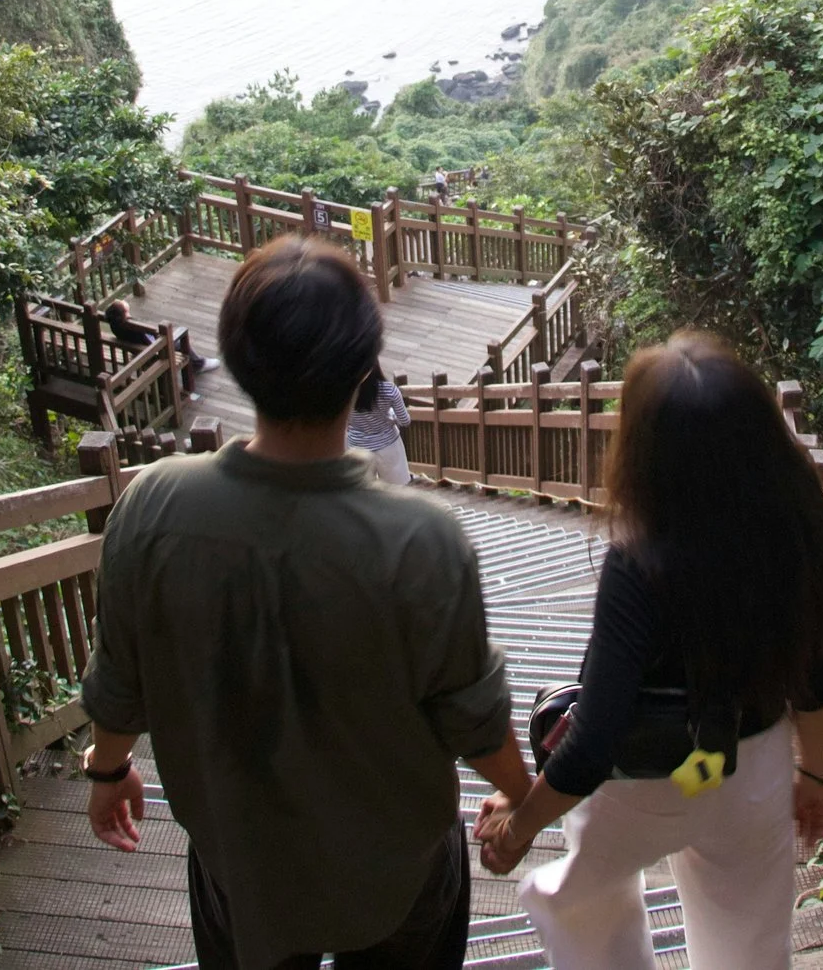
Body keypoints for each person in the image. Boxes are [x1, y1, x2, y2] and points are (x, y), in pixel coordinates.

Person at [77, 236, 536, 970]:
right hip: (399, 873)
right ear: (363, 368)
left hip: (242, 862)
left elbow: (121, 674)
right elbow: (473, 719)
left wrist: (108, 769)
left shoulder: (155, 503)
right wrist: (525, 800)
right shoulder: (422, 539)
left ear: (238, 357)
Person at [473, 332, 823, 970]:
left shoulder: (638, 562)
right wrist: (814, 775)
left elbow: (593, 741)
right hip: (748, 767)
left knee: (587, 904)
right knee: (750, 942)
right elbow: (816, 676)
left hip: (637, 782)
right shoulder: (804, 530)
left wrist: (521, 823)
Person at [102, 298, 218, 392]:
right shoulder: (135, 328)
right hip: (153, 352)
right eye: (121, 303)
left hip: (137, 350)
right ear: (125, 313)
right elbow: (152, 342)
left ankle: (197, 364)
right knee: (178, 341)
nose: (121, 300)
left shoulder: (115, 324)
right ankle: (199, 364)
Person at [346, 361, 412, 486]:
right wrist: (391, 416)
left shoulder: (345, 392)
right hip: (388, 445)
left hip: (357, 448)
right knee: (395, 492)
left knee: (364, 494)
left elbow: (345, 422)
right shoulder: (389, 390)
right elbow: (405, 420)